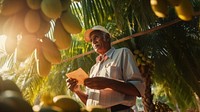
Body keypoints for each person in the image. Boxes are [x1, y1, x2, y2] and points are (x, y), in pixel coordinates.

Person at [66, 25, 145, 112]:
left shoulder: (122, 53)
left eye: (96, 37)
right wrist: (77, 91)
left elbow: (138, 89)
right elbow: (90, 102)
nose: (94, 42)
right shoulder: (93, 68)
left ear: (107, 37)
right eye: (91, 40)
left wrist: (108, 83)